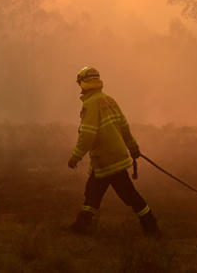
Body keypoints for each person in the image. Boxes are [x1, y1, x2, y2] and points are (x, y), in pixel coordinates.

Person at [66, 66, 160, 236]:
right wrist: (133, 148)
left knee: (128, 195)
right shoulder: (109, 100)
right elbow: (124, 127)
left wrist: (76, 156)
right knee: (94, 192)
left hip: (106, 160)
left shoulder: (90, 104)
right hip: (111, 159)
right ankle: (81, 225)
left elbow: (88, 134)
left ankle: (151, 226)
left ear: (83, 84)